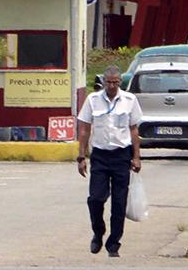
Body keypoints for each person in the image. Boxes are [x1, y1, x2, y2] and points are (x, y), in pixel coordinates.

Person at [76, 66, 143, 258]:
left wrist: (136, 157)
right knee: (96, 198)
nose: (112, 86)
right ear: (103, 82)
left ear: (120, 82)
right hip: (100, 156)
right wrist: (82, 156)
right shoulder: (93, 100)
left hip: (122, 156)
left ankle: (114, 243)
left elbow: (134, 130)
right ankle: (98, 232)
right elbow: (85, 129)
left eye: (116, 82)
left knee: (119, 203)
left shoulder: (130, 100)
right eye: (108, 82)